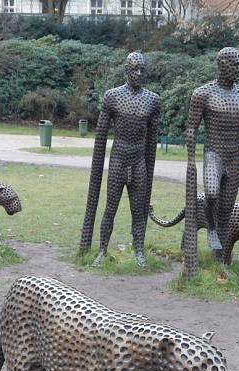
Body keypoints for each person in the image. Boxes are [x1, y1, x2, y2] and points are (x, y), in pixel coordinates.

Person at [183, 47, 239, 284]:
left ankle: (221, 260)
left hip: (233, 158)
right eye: (235, 64)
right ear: (222, 64)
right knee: (212, 194)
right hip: (213, 155)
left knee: (226, 211)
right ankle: (211, 229)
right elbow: (191, 127)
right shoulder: (203, 94)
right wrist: (190, 155)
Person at [78, 52, 160, 268]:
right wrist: (97, 167)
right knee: (110, 207)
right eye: (135, 69)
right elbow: (101, 135)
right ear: (126, 70)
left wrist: (149, 170)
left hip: (139, 160)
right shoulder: (112, 97)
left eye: (142, 69)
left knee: (138, 208)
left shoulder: (152, 100)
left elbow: (152, 141)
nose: (139, 73)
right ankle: (102, 249)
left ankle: (139, 249)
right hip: (118, 159)